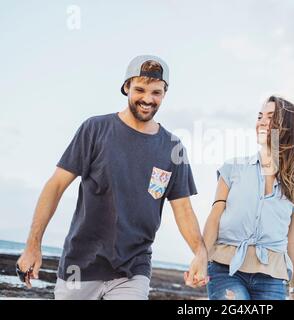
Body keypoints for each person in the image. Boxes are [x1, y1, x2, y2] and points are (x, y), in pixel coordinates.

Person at [16, 55, 208, 300]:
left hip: (132, 270)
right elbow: (55, 186)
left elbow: (183, 209)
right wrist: (33, 245)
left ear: (165, 93)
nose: (148, 99)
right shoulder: (95, 129)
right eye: (140, 89)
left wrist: (200, 254)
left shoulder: (173, 147)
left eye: (156, 93)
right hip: (80, 266)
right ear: (126, 87)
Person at [203, 96, 294, 300]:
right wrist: (200, 259)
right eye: (260, 116)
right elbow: (214, 217)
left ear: (287, 127)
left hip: (273, 277)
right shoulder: (232, 169)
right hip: (225, 269)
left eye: (271, 117)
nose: (262, 122)